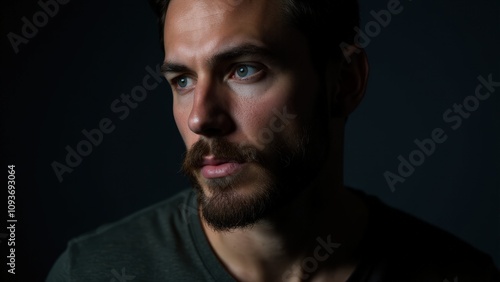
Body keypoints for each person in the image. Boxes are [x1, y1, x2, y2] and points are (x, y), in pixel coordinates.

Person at [46, 0, 500, 281]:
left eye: (244, 69)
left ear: (345, 82)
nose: (201, 117)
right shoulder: (90, 272)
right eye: (182, 80)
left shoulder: (458, 275)